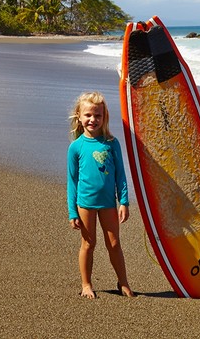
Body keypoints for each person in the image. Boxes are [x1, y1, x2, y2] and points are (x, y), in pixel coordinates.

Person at [67, 91, 135, 299]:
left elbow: (121, 175)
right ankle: (86, 284)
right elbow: (72, 181)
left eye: (97, 115)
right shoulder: (76, 147)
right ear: (79, 116)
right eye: (88, 115)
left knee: (114, 243)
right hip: (85, 203)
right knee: (88, 243)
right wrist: (72, 212)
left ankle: (123, 282)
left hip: (108, 203)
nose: (92, 120)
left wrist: (123, 201)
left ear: (104, 117)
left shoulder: (111, 143)